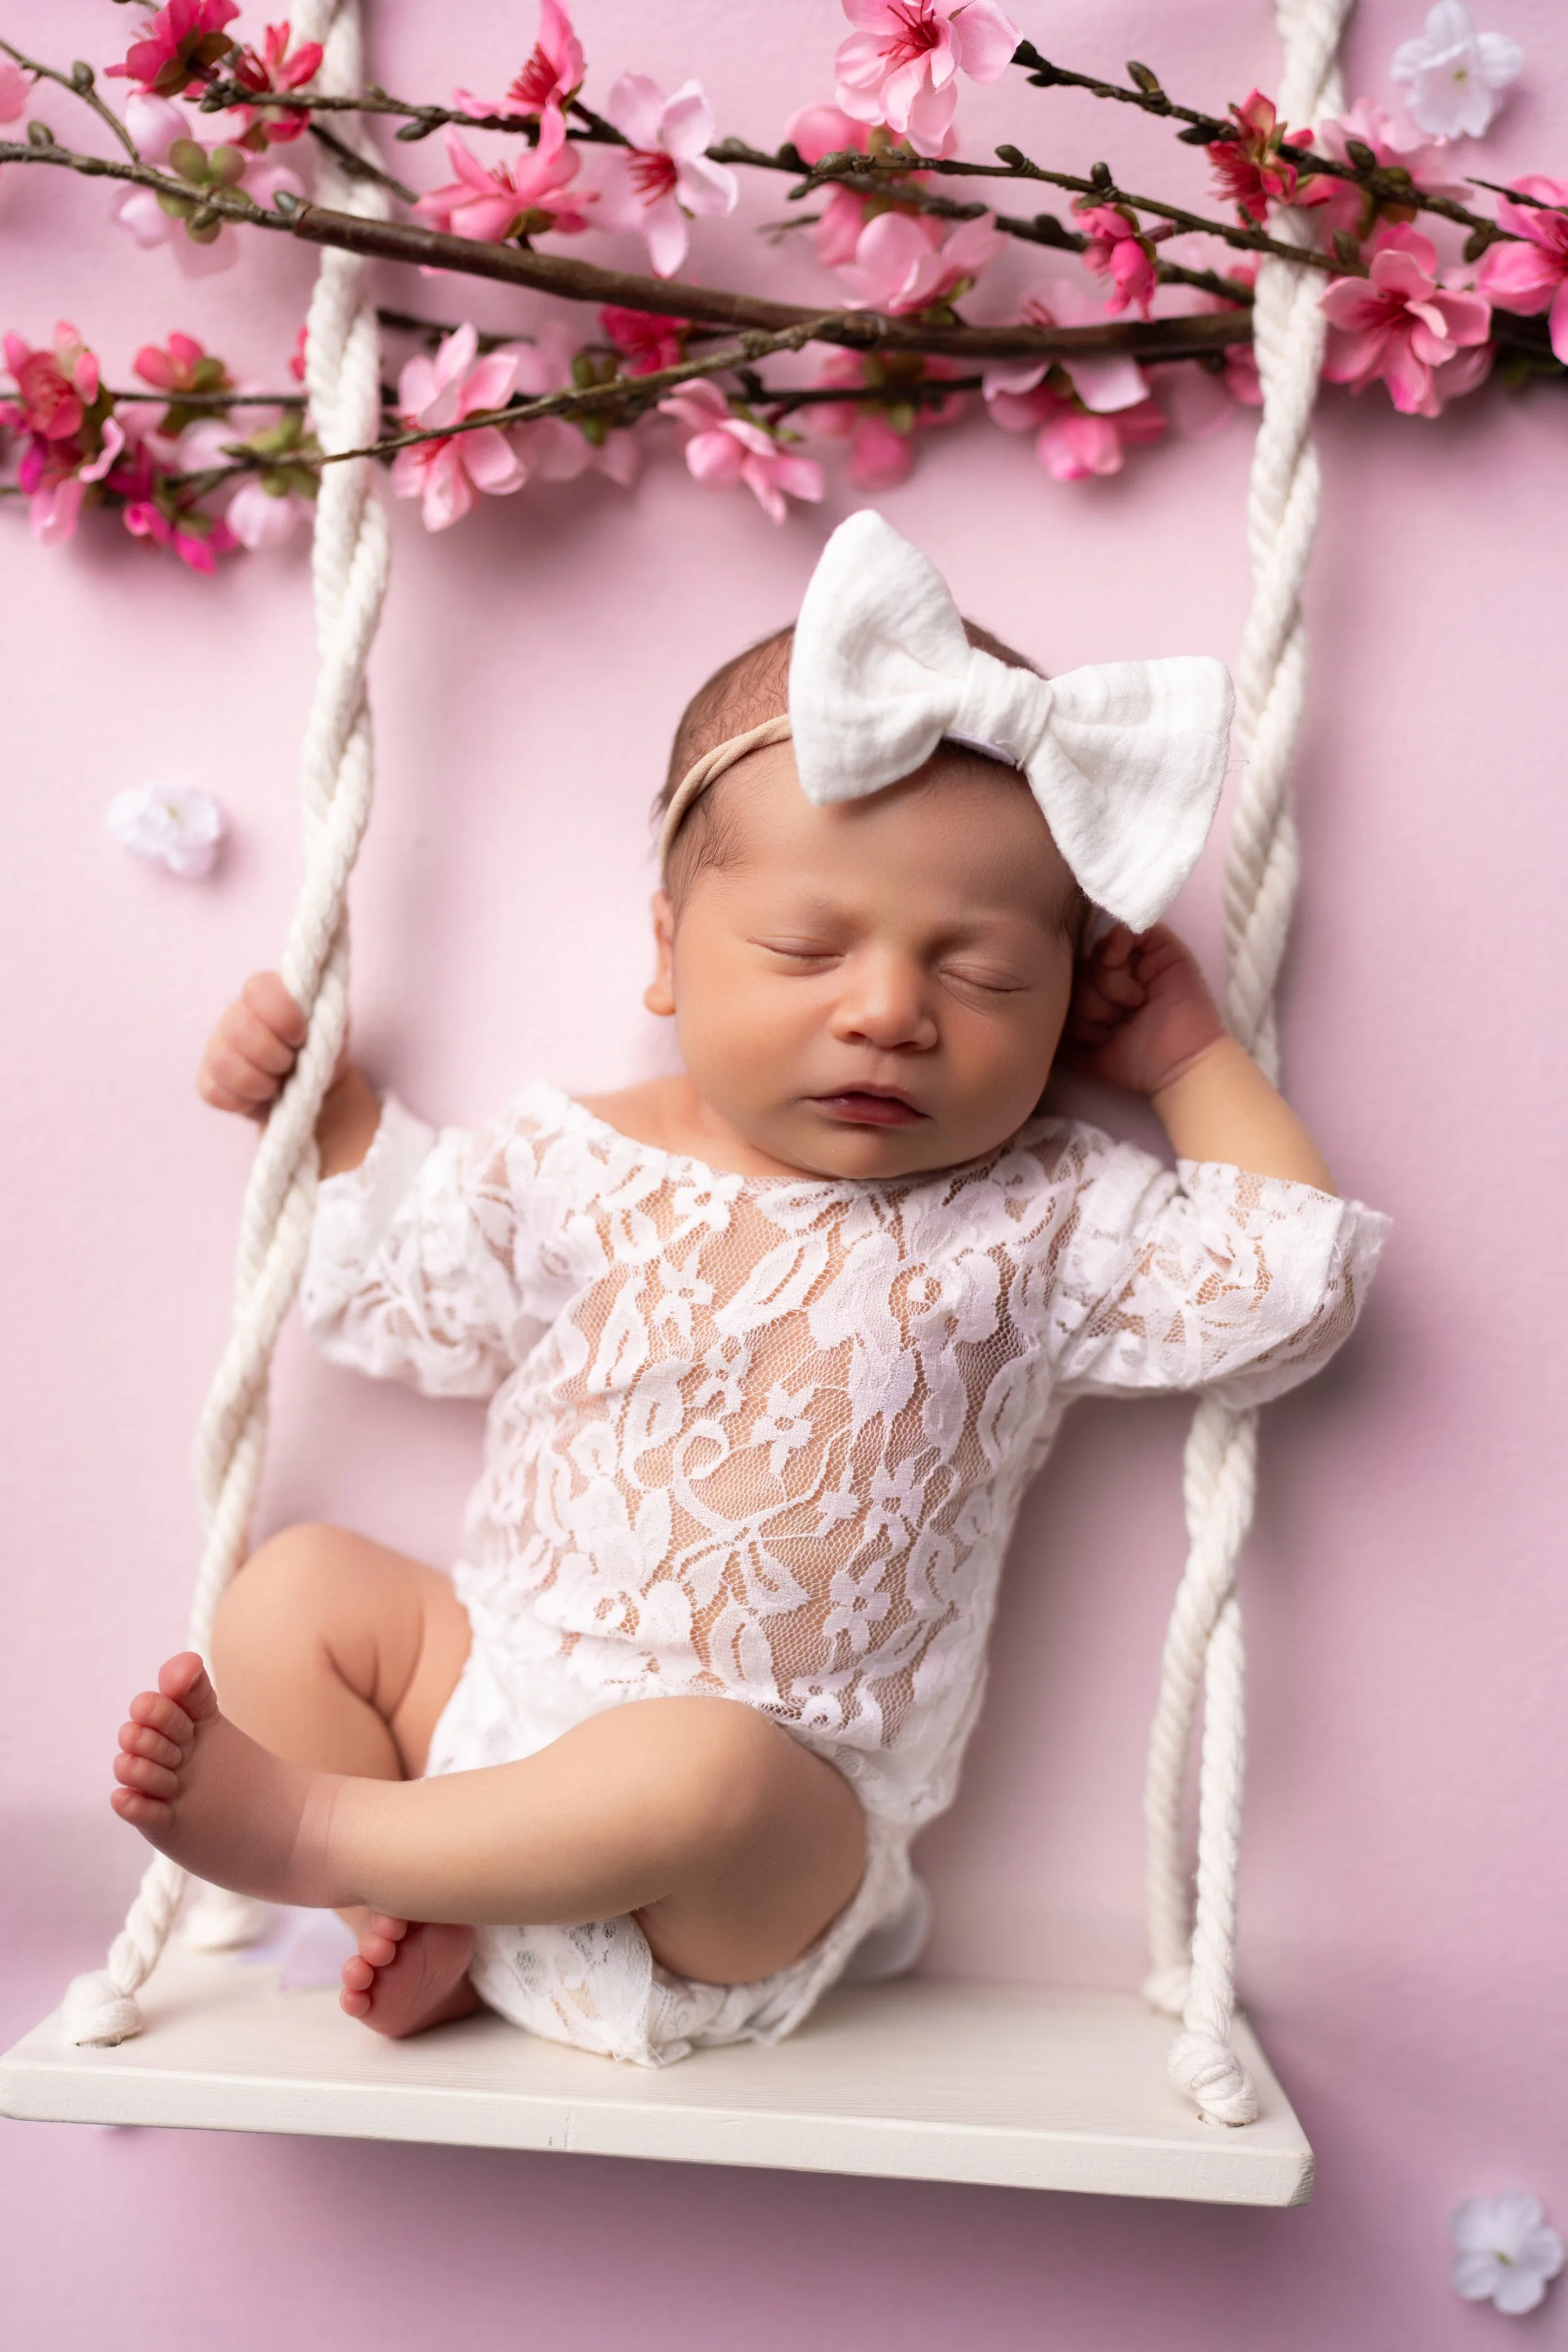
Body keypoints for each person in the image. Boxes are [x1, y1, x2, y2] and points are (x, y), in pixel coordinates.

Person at [109, 512, 1388, 2065]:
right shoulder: (582, 1161)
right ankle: (422, 1905)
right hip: (488, 1712)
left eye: (981, 975)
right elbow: (406, 1292)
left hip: (762, 1844)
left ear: (1063, 1011)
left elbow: (1276, 1291)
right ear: (667, 950)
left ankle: (329, 1837)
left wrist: (1187, 1059)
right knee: (297, 1589)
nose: (888, 1012)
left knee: (699, 1767)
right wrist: (329, 1116)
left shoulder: (1038, 1217)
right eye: (802, 947)